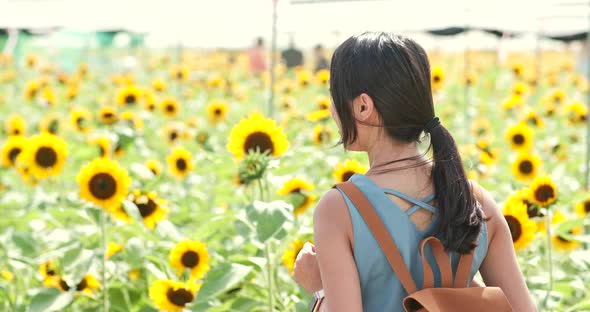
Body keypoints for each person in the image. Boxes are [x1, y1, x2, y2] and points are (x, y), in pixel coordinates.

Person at [292, 32, 537, 312]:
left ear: (362, 106)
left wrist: (319, 289)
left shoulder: (339, 209)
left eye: (333, 97)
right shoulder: (476, 202)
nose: (332, 110)